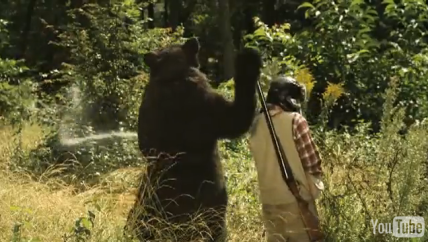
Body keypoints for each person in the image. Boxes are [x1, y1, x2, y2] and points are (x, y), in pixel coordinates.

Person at [248, 76, 325, 242]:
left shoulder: (254, 125)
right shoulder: (296, 121)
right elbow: (313, 164)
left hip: (268, 200)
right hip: (296, 201)